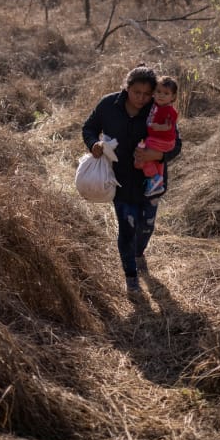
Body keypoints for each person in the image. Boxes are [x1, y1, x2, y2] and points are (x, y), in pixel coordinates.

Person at [82, 66, 182, 294]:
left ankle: (138, 254)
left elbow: (176, 145)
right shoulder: (108, 105)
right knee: (127, 229)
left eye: (147, 94)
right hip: (120, 182)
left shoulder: (159, 109)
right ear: (127, 88)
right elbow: (89, 128)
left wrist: (156, 155)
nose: (142, 98)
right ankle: (131, 276)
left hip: (151, 183)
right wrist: (93, 144)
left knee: (146, 227)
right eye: (137, 92)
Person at [135, 76, 179, 197]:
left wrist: (159, 127)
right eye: (158, 92)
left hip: (164, 140)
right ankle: (157, 184)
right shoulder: (156, 105)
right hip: (160, 139)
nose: (161, 95)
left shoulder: (169, 110)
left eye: (166, 93)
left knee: (145, 152)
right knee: (158, 162)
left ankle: (153, 176)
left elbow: (169, 126)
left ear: (173, 97)